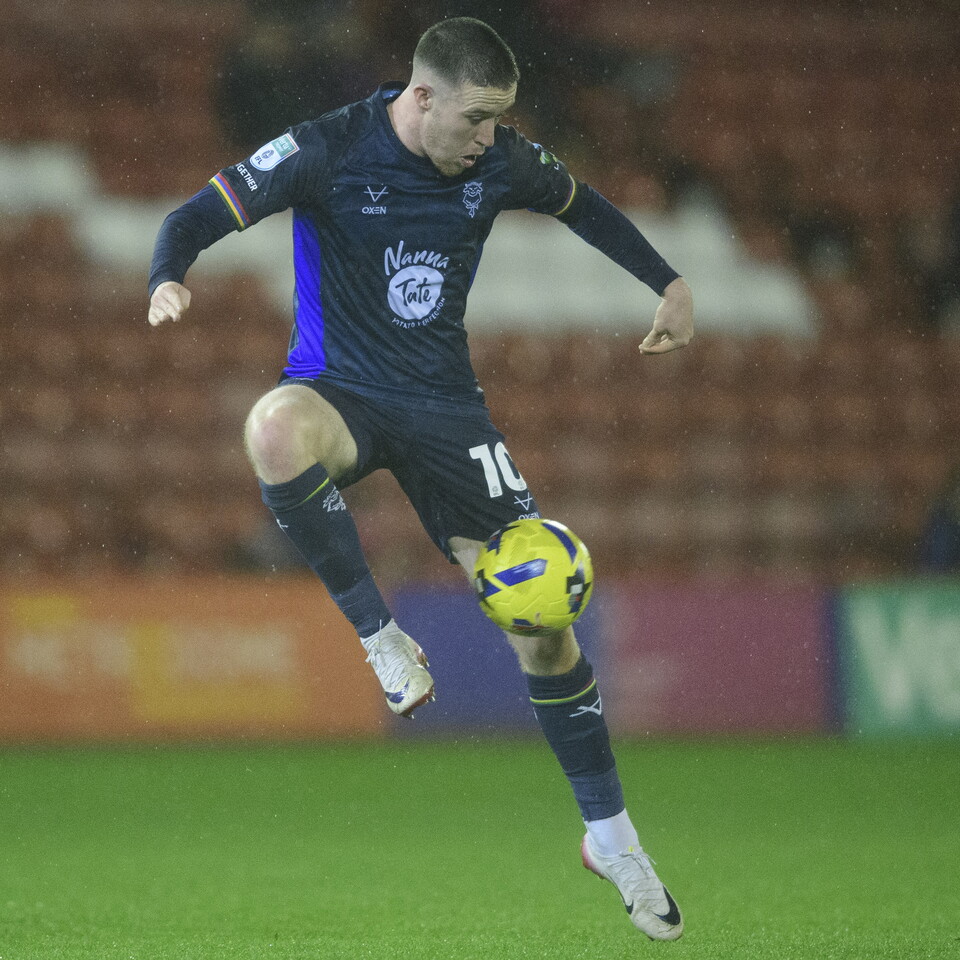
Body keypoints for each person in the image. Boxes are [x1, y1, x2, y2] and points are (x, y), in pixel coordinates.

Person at [148, 17, 693, 941]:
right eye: (477, 118)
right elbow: (194, 214)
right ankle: (380, 640)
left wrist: (668, 283)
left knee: (545, 626)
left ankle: (612, 837)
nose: (489, 139)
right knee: (273, 430)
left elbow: (582, 204)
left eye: (499, 122)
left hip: (447, 412)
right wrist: (169, 275)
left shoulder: (499, 161)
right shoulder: (326, 148)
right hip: (340, 392)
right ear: (423, 94)